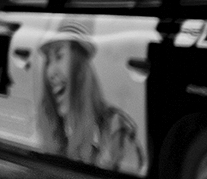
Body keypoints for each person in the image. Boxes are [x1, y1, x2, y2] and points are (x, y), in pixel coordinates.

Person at [36, 19, 146, 174]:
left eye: (59, 56)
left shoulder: (115, 128)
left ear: (80, 68)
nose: (50, 72)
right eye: (48, 61)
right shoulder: (57, 126)